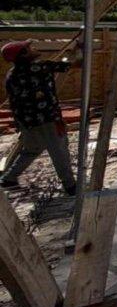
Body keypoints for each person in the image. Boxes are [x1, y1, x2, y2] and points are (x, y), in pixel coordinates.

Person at [2, 40, 77, 194]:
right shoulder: (38, 67)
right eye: (29, 48)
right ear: (23, 54)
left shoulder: (12, 74)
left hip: (27, 121)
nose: (34, 48)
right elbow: (68, 65)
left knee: (32, 149)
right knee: (59, 151)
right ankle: (70, 186)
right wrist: (77, 50)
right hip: (46, 119)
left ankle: (9, 178)